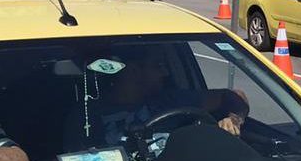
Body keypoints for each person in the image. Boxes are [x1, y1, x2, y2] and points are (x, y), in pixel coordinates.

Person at [77, 54, 249, 151]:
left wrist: (234, 119)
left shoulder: (171, 99)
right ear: (135, 70)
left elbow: (233, 97)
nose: (165, 73)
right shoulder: (86, 117)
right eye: (157, 66)